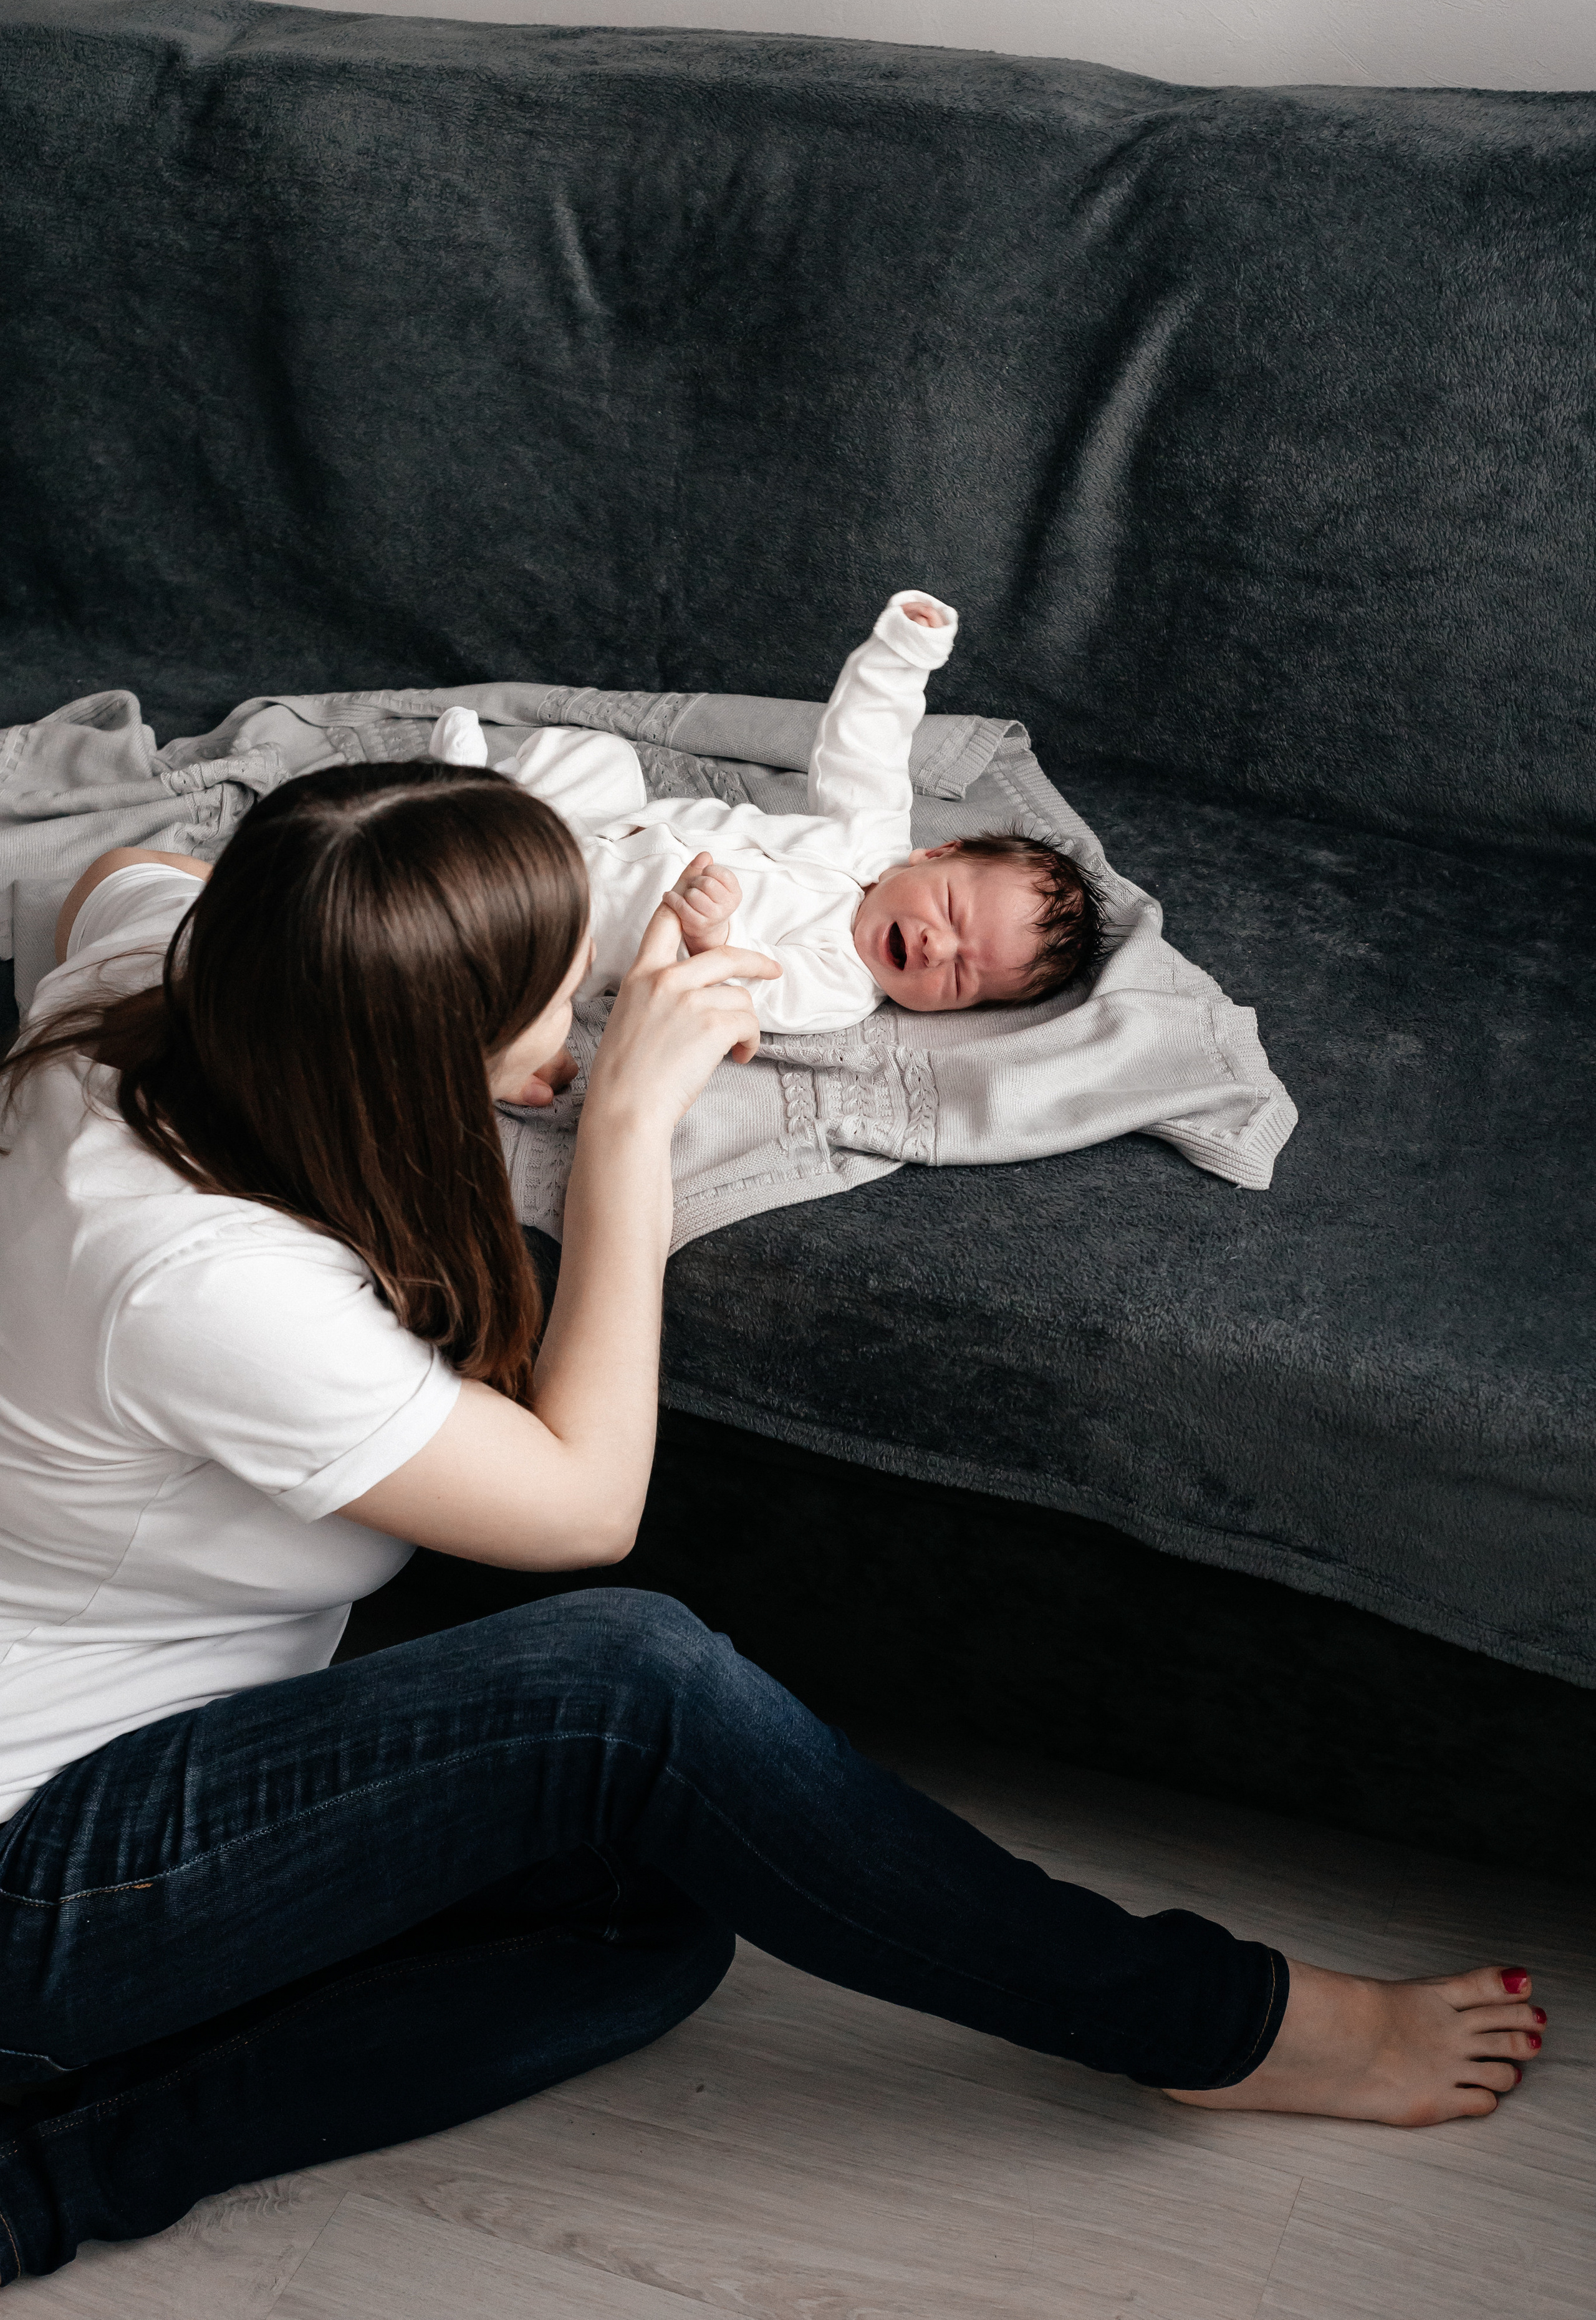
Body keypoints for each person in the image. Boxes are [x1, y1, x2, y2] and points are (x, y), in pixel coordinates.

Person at [0, 761, 1545, 2284]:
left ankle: (38, 2173)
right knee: (631, 1689)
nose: (581, 1009)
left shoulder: (168, 985)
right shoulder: (202, 1280)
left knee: (653, 1923)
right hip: (26, 1872)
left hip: (106, 1754)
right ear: (400, 1053)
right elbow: (584, 1505)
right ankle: (1204, 2022)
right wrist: (625, 1127)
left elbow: (123, 860)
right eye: (552, 996)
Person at [429, 590, 1103, 1037]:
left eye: (962, 979)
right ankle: (478, 796)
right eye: (953, 912)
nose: (936, 948)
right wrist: (903, 655)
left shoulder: (840, 988)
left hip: (579, 919)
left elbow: (745, 996)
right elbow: (863, 744)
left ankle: (457, 843)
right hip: (601, 827)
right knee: (601, 761)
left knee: (519, 968)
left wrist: (712, 939)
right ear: (935, 854)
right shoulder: (872, 837)